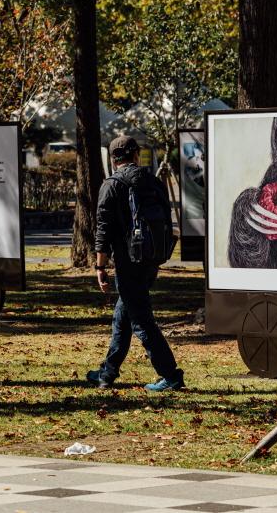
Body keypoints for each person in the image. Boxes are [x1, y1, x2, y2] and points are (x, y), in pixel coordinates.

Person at [87, 135, 184, 392]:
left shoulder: (112, 185)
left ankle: (171, 375)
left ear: (113, 159)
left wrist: (100, 268)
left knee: (141, 321)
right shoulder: (152, 181)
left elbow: (103, 231)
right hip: (151, 260)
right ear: (136, 154)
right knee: (123, 316)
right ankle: (107, 373)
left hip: (128, 262)